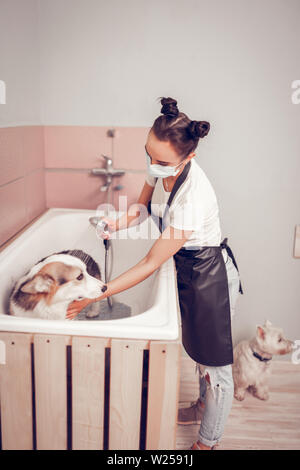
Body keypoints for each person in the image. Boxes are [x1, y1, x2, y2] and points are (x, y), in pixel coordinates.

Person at [66, 96, 243, 450]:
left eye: (161, 160)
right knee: (197, 349)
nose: (152, 164)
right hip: (187, 267)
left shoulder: (194, 197)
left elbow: (150, 262)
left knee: (215, 365)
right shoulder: (161, 164)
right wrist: (119, 222)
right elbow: (143, 206)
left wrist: (99, 292)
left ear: (188, 157)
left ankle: (208, 442)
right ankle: (201, 405)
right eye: (149, 154)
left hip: (210, 275)